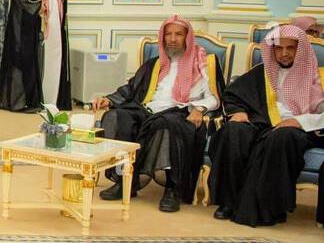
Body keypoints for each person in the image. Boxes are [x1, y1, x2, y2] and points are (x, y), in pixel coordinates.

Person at [91, 16, 220, 212]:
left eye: (178, 34)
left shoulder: (204, 63)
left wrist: (199, 109)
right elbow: (133, 87)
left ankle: (172, 188)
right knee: (117, 117)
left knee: (166, 125)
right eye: (168, 34)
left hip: (181, 112)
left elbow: (215, 97)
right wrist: (109, 99)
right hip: (147, 110)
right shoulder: (156, 64)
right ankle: (125, 180)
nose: (173, 39)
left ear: (187, 36)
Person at [208, 24, 324, 227]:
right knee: (232, 131)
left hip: (299, 129)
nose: (284, 54)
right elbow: (233, 94)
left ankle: (269, 208)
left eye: (290, 48)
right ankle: (229, 202)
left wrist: (300, 121)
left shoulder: (317, 77)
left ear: (301, 49)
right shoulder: (263, 72)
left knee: (281, 137)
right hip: (260, 121)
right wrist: (239, 112)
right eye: (279, 48)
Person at [0, 0, 70, 112]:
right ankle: (36, 100)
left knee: (53, 65)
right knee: (39, 65)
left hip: (54, 32)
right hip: (36, 31)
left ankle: (51, 101)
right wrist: (36, 6)